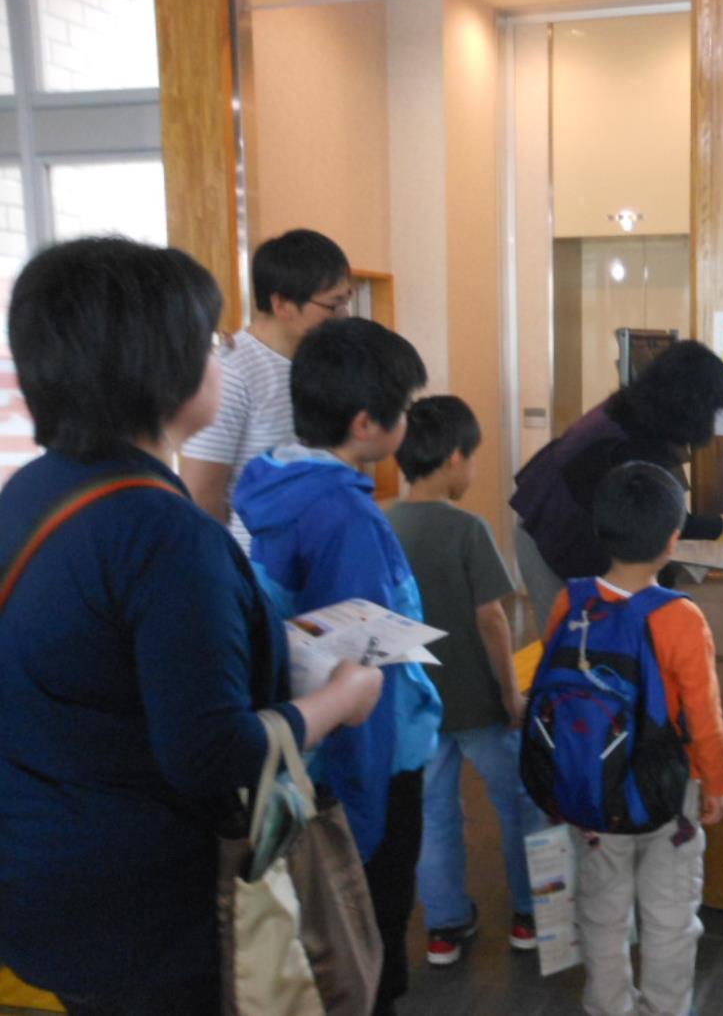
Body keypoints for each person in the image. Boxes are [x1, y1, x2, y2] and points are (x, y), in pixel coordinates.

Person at [0, 237, 383, 1015]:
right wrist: (341, 698)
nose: (222, 360)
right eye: (209, 343)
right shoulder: (162, 530)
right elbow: (213, 753)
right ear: (160, 367)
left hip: (43, 874)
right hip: (149, 904)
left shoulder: (29, 492)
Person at [233, 317, 443, 1016]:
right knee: (369, 936)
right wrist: (366, 814)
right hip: (366, 766)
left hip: (314, 751)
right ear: (365, 422)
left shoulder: (276, 482)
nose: (411, 419)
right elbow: (362, 674)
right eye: (406, 408)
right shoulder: (345, 517)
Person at [540, 460, 723, 1016]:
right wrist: (716, 783)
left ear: (601, 530)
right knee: (671, 917)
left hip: (592, 792)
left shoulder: (571, 601)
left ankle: (608, 1007)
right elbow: (704, 715)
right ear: (674, 538)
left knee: (602, 914)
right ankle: (663, 1009)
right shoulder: (680, 617)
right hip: (666, 793)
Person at [386, 395, 544, 961]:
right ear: (454, 458)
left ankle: (445, 926)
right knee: (519, 802)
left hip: (416, 703)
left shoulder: (381, 523)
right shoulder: (468, 528)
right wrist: (511, 694)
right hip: (480, 702)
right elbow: (492, 619)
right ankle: (528, 914)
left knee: (433, 811)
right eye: (472, 457)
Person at [511, 339, 723, 629]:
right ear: (692, 404)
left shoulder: (634, 411)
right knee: (569, 645)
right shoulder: (633, 442)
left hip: (562, 528)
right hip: (548, 538)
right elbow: (669, 521)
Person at [180, 228, 353, 553]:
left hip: (319, 559)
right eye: (333, 305)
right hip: (259, 571)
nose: (343, 316)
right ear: (283, 304)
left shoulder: (325, 361)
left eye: (346, 301)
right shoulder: (232, 371)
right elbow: (201, 493)